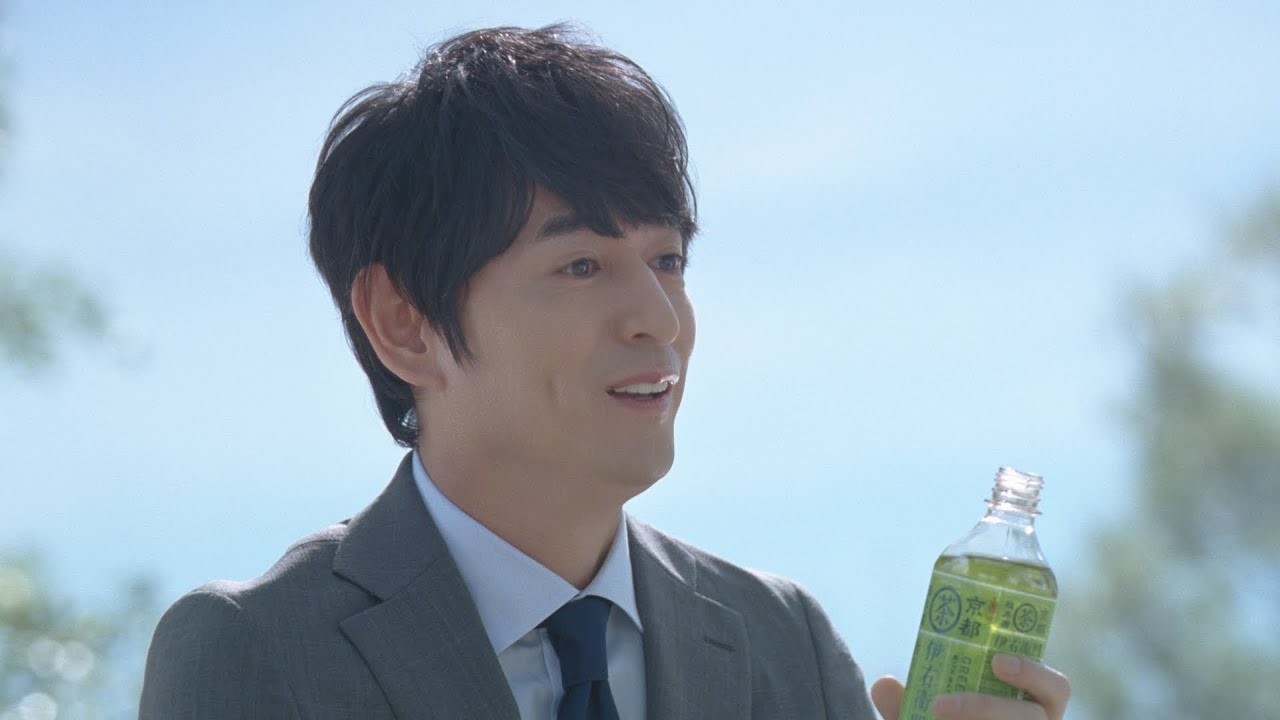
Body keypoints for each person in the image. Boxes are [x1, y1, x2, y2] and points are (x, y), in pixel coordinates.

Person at [139, 24, 1071, 720]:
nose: (658, 318)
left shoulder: (780, 641)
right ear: (403, 321)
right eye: (581, 265)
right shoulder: (258, 650)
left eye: (668, 261)